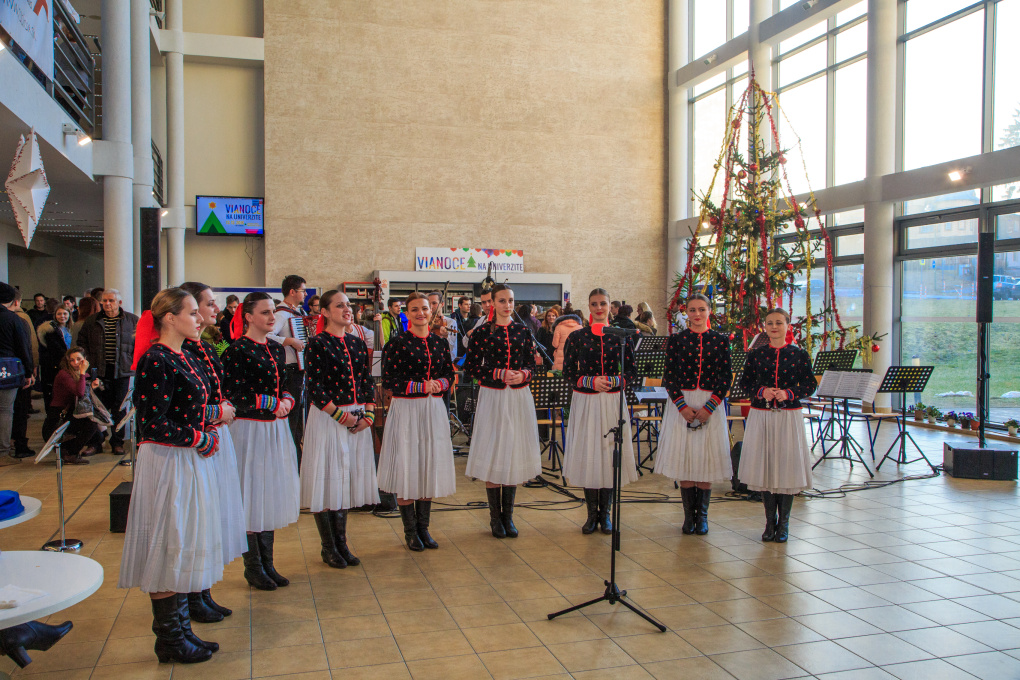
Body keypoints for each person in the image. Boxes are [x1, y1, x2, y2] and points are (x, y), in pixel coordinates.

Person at [118, 287, 223, 665]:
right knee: (167, 544)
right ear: (169, 318)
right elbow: (152, 424)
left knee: (182, 541)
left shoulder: (184, 355)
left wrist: (205, 430)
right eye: (192, 313)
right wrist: (199, 438)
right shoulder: (156, 359)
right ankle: (169, 638)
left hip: (186, 457)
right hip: (166, 460)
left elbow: (192, 409)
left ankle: (181, 629)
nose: (199, 319)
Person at [223, 292, 301, 590]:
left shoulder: (276, 348)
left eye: (272, 312)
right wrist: (270, 402)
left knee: (268, 494)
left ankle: (268, 563)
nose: (272, 317)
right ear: (248, 317)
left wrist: (287, 400)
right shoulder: (236, 350)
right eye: (265, 312)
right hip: (249, 430)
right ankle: (253, 567)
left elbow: (286, 384)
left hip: (275, 428)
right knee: (251, 494)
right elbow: (233, 395)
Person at [179, 282, 244, 623]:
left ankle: (203, 591)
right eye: (208, 304)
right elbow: (183, 406)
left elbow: (218, 387)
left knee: (212, 515)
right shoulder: (180, 351)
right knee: (198, 518)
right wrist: (218, 411)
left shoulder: (204, 345)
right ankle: (192, 596)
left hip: (216, 434)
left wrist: (224, 406)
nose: (215, 309)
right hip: (198, 439)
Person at [301, 290, 377, 568]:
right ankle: (328, 547)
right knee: (327, 479)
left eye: (348, 305)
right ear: (325, 312)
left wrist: (369, 413)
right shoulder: (317, 344)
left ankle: (342, 543)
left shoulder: (356, 342)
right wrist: (339, 415)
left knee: (344, 480)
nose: (347, 309)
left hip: (356, 416)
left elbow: (366, 380)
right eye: (340, 305)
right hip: (329, 417)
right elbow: (314, 387)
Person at [378, 292, 455, 551]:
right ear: (407, 314)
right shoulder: (397, 344)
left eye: (424, 308)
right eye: (414, 309)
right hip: (407, 410)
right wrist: (420, 386)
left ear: (431, 311)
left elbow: (449, 374)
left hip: (433, 409)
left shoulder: (440, 342)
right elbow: (389, 381)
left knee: (427, 465)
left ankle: (424, 529)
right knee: (408, 465)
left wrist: (440, 383)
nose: (421, 313)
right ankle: (410, 532)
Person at [463, 284, 541, 538]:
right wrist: (498, 373)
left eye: (511, 300)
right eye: (502, 301)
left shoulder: (523, 331)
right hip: (493, 397)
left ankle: (508, 517)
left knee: (512, 452)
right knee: (494, 451)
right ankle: (495, 519)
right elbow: (472, 367)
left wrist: (524, 374)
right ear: (492, 304)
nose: (507, 305)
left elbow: (532, 364)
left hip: (518, 396)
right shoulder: (481, 333)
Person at [737, 308, 817, 543]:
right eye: (770, 323)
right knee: (766, 466)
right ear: (765, 326)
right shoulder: (756, 354)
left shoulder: (799, 354)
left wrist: (789, 393)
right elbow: (745, 383)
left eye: (779, 323)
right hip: (761, 414)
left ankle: (784, 524)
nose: (774, 327)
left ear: (787, 326)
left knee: (786, 467)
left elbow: (810, 385)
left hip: (788, 416)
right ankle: (769, 522)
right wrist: (761, 391)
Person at [561, 288, 637, 535]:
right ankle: (591, 514)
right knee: (589, 453)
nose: (599, 308)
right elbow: (568, 372)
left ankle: (606, 515)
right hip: (586, 400)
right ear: (589, 307)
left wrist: (614, 381)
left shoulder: (621, 337)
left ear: (609, 306)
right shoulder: (577, 336)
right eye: (594, 304)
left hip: (612, 401)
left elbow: (632, 372)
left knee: (609, 454)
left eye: (603, 303)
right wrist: (589, 381)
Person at [654, 294, 731, 535]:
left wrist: (710, 407)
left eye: (701, 309)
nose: (697, 314)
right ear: (686, 312)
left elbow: (725, 377)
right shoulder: (677, 340)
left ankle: (703, 517)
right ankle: (689, 517)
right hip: (683, 404)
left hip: (710, 403)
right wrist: (682, 406)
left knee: (705, 460)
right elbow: (669, 377)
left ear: (709, 311)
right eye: (692, 310)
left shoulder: (720, 340)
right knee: (686, 459)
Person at [76, 289, 138, 454]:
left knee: (120, 409)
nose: (107, 304)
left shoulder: (132, 320)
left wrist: (132, 361)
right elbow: (82, 342)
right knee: (96, 407)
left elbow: (139, 344)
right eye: (104, 301)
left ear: (119, 303)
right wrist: (89, 362)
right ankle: (95, 442)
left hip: (122, 371)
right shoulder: (92, 321)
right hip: (99, 371)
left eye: (111, 300)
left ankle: (117, 442)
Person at [267, 275, 308, 460]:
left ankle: (297, 452)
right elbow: (267, 336)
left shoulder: (298, 313)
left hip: (299, 370)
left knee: (298, 416)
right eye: (302, 291)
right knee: (292, 416)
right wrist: (289, 341)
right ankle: (291, 454)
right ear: (292, 292)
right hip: (289, 370)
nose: (305, 294)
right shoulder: (281, 314)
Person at [43, 347, 103, 465]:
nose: (75, 363)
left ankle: (70, 451)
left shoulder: (80, 374)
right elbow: (79, 392)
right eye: (72, 360)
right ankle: (70, 453)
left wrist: (92, 385)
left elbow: (83, 392)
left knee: (95, 428)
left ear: (84, 359)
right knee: (91, 425)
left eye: (78, 359)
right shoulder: (64, 374)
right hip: (57, 418)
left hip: (70, 413)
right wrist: (82, 372)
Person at [0, 283, 34, 467]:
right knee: (5, 410)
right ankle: (2, 452)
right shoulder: (13, 319)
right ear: (11, 300)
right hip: (7, 370)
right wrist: (28, 372)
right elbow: (23, 347)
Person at [9, 290, 38, 458]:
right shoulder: (21, 319)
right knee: (20, 409)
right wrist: (32, 368)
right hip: (18, 369)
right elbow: (29, 346)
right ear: (17, 302)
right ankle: (20, 444)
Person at [37, 307, 73, 407]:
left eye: (65, 313)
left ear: (69, 315)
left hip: (70, 364)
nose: (62, 316)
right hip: (54, 365)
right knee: (53, 393)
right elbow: (56, 349)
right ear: (55, 316)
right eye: (59, 314)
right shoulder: (50, 330)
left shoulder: (71, 329)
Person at [427, 290, 458, 362]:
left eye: (434, 303)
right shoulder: (425, 321)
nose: (431, 306)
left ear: (442, 304)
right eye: (429, 304)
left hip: (443, 359)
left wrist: (446, 336)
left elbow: (452, 347)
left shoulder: (450, 322)